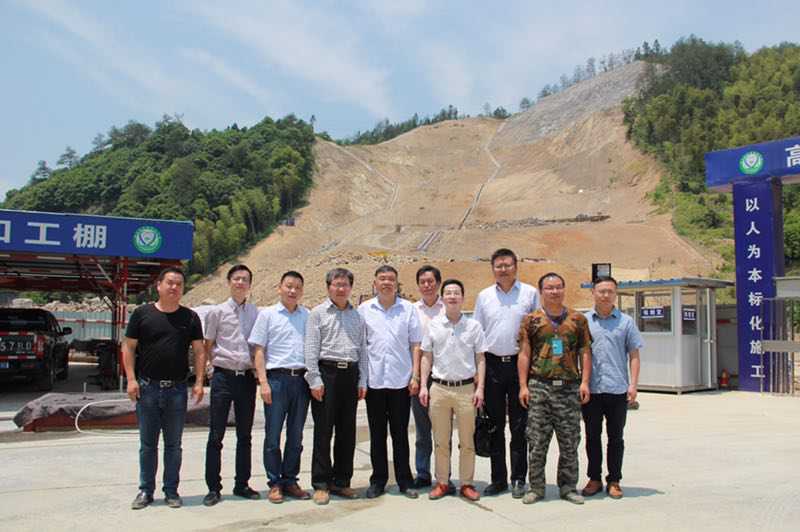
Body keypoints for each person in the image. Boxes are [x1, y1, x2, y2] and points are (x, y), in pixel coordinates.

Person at [123, 267, 205, 510]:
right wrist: (131, 379)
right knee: (148, 445)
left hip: (177, 390)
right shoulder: (142, 314)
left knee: (173, 445)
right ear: (158, 285)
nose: (174, 287)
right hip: (148, 388)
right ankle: (146, 490)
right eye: (170, 282)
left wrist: (199, 382)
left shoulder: (190, 318)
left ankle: (171, 491)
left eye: (179, 284)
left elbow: (199, 351)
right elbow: (128, 347)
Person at [517, 272, 592, 505]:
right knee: (537, 442)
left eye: (558, 287)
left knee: (570, 442)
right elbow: (524, 354)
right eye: (549, 288)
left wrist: (585, 382)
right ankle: (536, 488)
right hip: (540, 386)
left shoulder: (578, 319)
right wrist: (523, 386)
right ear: (541, 291)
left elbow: (585, 352)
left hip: (568, 388)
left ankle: (568, 487)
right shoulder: (531, 320)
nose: (554, 291)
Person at [473, 248, 540, 498]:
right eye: (499, 266)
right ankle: (498, 479)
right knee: (495, 425)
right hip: (492, 366)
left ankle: (519, 478)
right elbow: (478, 334)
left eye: (507, 265)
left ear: (516, 267)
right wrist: (477, 373)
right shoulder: (484, 296)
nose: (503, 269)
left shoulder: (529, 294)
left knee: (520, 426)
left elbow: (537, 331)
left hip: (519, 365)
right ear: (493, 269)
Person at [304, 268, 369, 505]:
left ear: (351, 288)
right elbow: (311, 348)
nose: (341, 288)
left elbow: (363, 350)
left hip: (350, 375)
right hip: (327, 374)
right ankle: (321, 484)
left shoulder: (357, 316)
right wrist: (314, 379)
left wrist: (362, 379)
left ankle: (342, 481)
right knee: (323, 432)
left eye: (345, 285)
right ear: (328, 287)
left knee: (346, 432)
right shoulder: (317, 313)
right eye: (336, 284)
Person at [419, 279, 487, 502]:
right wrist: (423, 386)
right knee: (440, 440)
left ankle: (467, 483)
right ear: (442, 298)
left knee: (467, 441)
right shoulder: (434, 325)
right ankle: (442, 482)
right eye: (448, 293)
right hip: (439, 388)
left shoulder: (474, 326)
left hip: (466, 389)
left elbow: (480, 358)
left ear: (463, 298)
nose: (452, 296)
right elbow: (427, 356)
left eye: (456, 293)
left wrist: (480, 388)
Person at [358, 265, 423, 499]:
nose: (386, 282)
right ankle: (378, 480)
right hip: (375, 382)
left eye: (391, 279)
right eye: (382, 278)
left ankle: (405, 480)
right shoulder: (364, 310)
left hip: (400, 382)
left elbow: (415, 344)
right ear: (375, 282)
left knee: (400, 434)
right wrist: (361, 380)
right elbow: (361, 347)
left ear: (397, 283)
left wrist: (415, 376)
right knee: (377, 435)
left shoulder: (408, 309)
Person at [250, 271, 312, 504]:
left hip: (301, 381)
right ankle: (275, 482)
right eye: (289, 286)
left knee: (296, 435)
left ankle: (291, 480)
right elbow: (259, 351)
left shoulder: (308, 316)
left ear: (302, 291)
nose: (293, 290)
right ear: (279, 288)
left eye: (297, 287)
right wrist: (263, 382)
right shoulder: (267, 315)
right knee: (273, 434)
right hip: (276, 380)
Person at [201, 264, 260, 506]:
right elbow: (208, 343)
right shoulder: (217, 312)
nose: (240, 282)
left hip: (246, 378)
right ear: (229, 282)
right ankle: (213, 488)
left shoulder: (255, 312)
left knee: (245, 435)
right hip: (223, 377)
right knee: (216, 434)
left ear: (249, 285)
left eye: (245, 279)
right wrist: (210, 369)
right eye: (236, 278)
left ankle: (242, 483)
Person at [581, 276, 643, 500]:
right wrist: (582, 382)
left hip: (618, 389)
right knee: (592, 437)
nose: (605, 295)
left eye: (610, 291)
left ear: (616, 294)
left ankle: (614, 480)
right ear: (593, 293)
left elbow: (634, 355)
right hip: (592, 390)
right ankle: (594, 478)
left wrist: (633, 385)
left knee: (616, 438)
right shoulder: (583, 321)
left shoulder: (626, 322)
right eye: (601, 291)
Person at [410, 265, 455, 494]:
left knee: (444, 431)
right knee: (422, 430)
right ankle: (423, 472)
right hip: (419, 378)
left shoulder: (447, 308)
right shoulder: (411, 310)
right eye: (422, 282)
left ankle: (444, 476)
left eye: (430, 281)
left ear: (438, 283)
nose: (426, 285)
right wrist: (415, 376)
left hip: (443, 377)